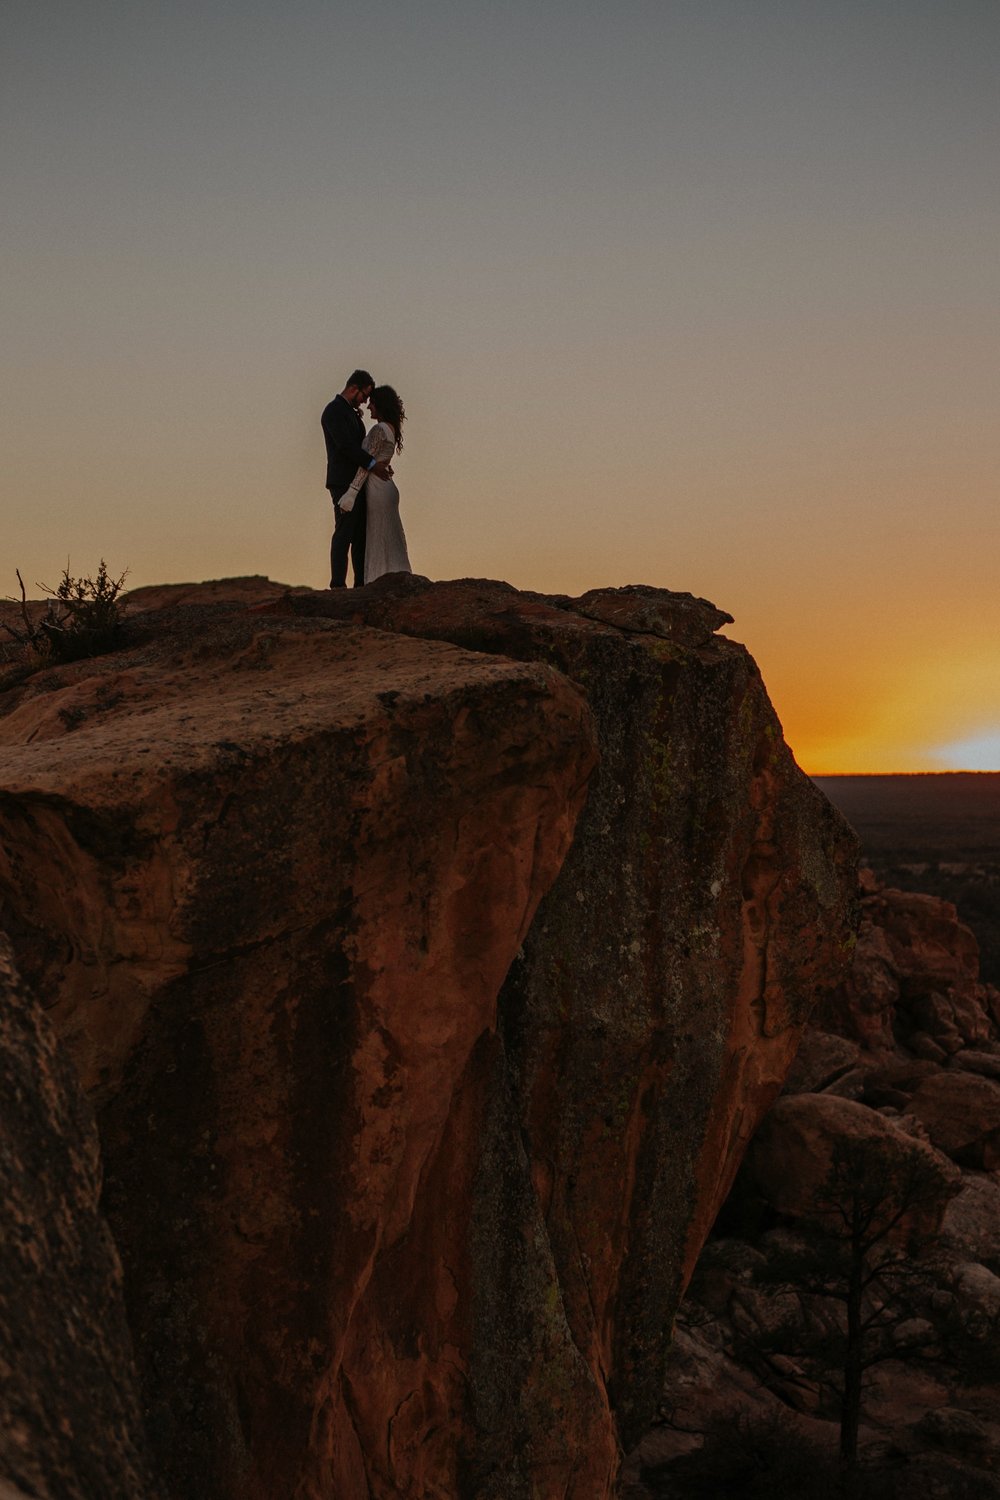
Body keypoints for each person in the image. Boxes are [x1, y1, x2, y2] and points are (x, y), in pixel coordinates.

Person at [321, 370, 393, 588]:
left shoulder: (352, 414)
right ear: (354, 388)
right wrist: (372, 464)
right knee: (344, 531)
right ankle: (338, 585)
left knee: (360, 535)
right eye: (364, 396)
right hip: (343, 482)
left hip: (359, 482)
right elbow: (345, 446)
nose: (364, 402)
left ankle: (360, 584)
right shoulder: (333, 411)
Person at [338, 385, 411, 585]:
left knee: (378, 535)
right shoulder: (391, 428)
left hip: (378, 488)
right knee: (388, 535)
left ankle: (377, 581)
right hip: (386, 486)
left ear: (380, 405)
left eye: (372, 403)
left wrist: (351, 493)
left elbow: (366, 463)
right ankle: (394, 579)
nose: (369, 406)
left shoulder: (379, 429)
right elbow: (381, 459)